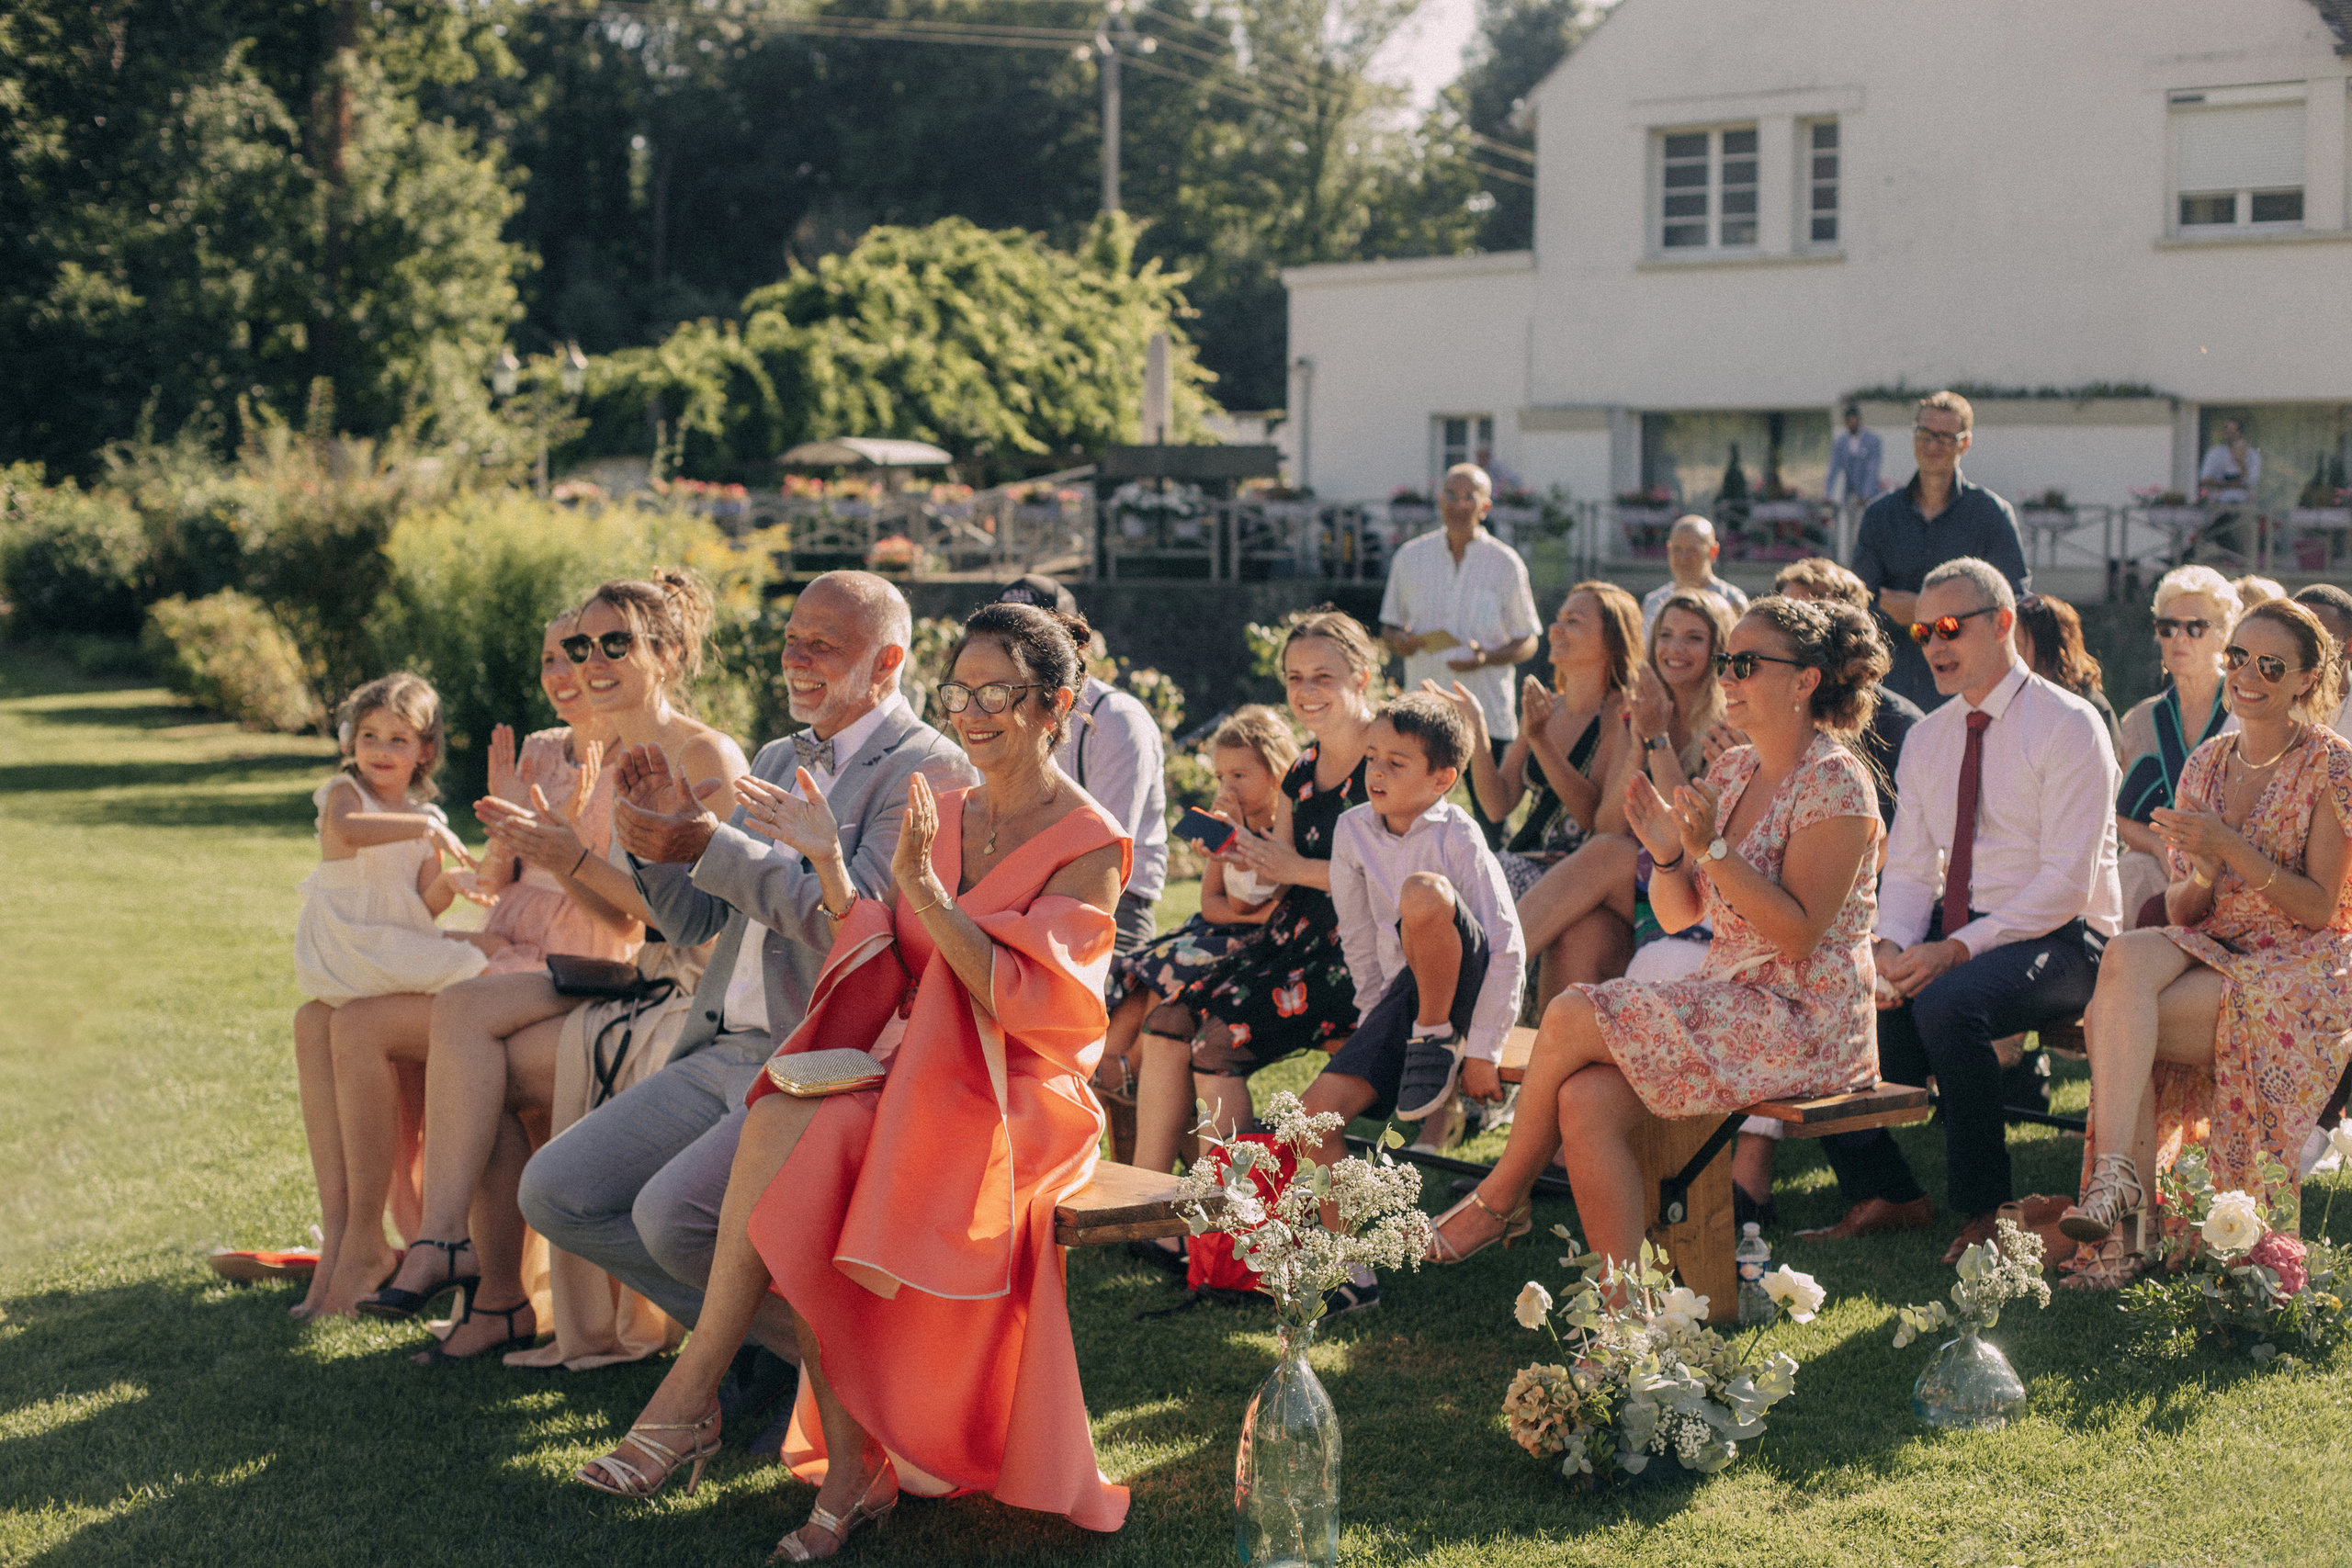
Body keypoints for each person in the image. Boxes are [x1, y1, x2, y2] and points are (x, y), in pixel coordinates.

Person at [577, 601, 1132, 1551]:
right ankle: (815, 1453)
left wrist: (926, 893)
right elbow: (888, 951)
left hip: (1018, 1094)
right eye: (960, 692)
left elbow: (1034, 1004)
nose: (972, 713)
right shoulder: (945, 809)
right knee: (789, 1114)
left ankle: (709, 1412)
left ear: (1056, 706)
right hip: (917, 1067)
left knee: (815, 1145)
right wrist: (834, 862)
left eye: (997, 693)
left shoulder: (1089, 843)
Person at [503, 571, 975, 1369]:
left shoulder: (931, 768)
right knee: (555, 1191)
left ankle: (798, 1372)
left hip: (815, 1060)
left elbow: (860, 930)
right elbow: (696, 920)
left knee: (668, 1222)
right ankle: (799, 1357)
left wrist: (710, 843)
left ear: (888, 660)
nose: (796, 658)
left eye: (822, 645)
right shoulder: (777, 754)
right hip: (719, 1044)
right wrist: (653, 840)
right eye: (792, 640)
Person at [356, 573, 757, 1357]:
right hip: (640, 972)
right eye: (580, 645)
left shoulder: (703, 751)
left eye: (615, 644)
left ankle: (494, 1292)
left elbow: (703, 916)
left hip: (694, 992)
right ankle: (446, 1240)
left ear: (668, 655)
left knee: (488, 1072)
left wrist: (569, 854)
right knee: (460, 1012)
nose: (590, 661)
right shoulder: (614, 756)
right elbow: (617, 909)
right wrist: (545, 847)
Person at [1426, 596, 1890, 1266]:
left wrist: (1710, 851)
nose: (1726, 676)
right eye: (1726, 661)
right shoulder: (1732, 770)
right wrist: (1671, 855)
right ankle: (1624, 1306)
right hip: (1735, 1002)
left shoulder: (1836, 782)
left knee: (1571, 1012)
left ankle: (1501, 1199)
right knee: (1585, 1100)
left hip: (1809, 1023)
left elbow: (1798, 934)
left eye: (1746, 664)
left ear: (1805, 681)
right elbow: (1679, 914)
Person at [1811, 558, 2121, 1259]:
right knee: (1834, 983)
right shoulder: (1930, 736)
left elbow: (2066, 885)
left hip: (2069, 937)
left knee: (1949, 1002)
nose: (1935, 645)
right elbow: (1910, 869)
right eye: (1922, 632)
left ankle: (1986, 1211)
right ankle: (1888, 1190)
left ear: (2004, 622)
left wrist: (1954, 949)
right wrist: (1889, 948)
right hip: (1961, 928)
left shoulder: (2070, 724)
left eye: (1951, 626)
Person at [2060, 599, 2352, 1289]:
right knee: (2125, 956)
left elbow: (2319, 908)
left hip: (2300, 963)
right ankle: (2117, 1177)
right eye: (2238, 657)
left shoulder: (2332, 765)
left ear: (2307, 680)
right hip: (2216, 941)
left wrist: (2230, 847)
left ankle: (2128, 1234)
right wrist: (2203, 871)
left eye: (2270, 665)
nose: (2246, 675)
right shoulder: (2208, 763)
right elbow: (2184, 909)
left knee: (2113, 1020)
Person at [1270, 692, 1523, 1301]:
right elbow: (1357, 934)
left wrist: (1484, 1049)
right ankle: (1348, 1272)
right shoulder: (1353, 828)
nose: (1376, 772)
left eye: (1397, 762)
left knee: (1422, 894)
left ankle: (1438, 1039)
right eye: (1372, 757)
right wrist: (1371, 1022)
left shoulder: (1458, 832)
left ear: (1443, 779)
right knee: (1309, 1119)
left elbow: (1506, 943)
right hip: (1402, 998)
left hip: (1463, 984)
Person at [1128, 609, 1381, 1193]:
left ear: (1362, 677)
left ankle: (1233, 1221)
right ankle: (1147, 1205)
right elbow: (1279, 871)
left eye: (1323, 676)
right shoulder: (1301, 770)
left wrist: (1296, 869)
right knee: (1166, 1021)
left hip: (1359, 956)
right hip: (1292, 941)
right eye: (1295, 677)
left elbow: (1404, 876)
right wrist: (1237, 851)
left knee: (1218, 1042)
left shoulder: (1386, 758)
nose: (1306, 690)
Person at [289, 672, 497, 1318]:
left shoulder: (423, 823)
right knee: (472, 963)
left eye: (398, 739)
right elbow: (349, 830)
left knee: (469, 958)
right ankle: (351, 1239)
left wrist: (450, 883)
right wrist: (424, 824)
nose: (380, 749)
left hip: (387, 949)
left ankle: (352, 1247)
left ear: (424, 750)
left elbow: (421, 905)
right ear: (349, 742)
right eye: (369, 736)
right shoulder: (346, 796)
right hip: (352, 949)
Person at [1091, 705, 1293, 1213]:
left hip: (1254, 945)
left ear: (1276, 773)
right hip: (1217, 932)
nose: (1228, 786)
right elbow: (1211, 905)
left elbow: (1250, 905)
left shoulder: (1282, 833)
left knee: (1174, 968)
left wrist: (1240, 855)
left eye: (1240, 775)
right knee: (1148, 965)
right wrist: (1231, 851)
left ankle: (1120, 1072)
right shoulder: (1229, 828)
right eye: (1221, 776)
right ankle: (1115, 1065)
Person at [1504, 590, 1732, 1010]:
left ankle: (1487, 974)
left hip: (1696, 887)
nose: (1675, 648)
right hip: (1640, 882)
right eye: (1665, 635)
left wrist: (1658, 741)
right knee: (1580, 935)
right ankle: (1540, 1046)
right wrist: (1636, 751)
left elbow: (1688, 831)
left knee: (1608, 853)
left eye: (1694, 638)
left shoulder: (1728, 723)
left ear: (1719, 650)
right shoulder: (1639, 711)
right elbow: (1606, 823)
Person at [1434, 581, 1639, 905]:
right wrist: (1476, 725)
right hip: (1522, 858)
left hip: (1573, 870)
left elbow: (1591, 816)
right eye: (1558, 618)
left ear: (1612, 639)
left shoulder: (1621, 714)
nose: (1555, 629)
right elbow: (1498, 804)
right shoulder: (1548, 706)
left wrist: (1541, 740)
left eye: (1573, 621)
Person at [995, 574, 1167, 952]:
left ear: (1071, 642)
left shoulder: (1116, 719)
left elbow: (1100, 853)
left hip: (1112, 907)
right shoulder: (995, 714)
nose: (1014, 653)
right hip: (1016, 898)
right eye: (1005, 640)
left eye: (1031, 640)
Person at [1379, 462, 1543, 847]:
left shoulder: (1505, 562)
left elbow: (1528, 640)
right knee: (1412, 818)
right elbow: (1389, 628)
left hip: (1486, 714)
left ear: (1486, 507)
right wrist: (1401, 642)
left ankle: (1491, 883)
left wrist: (1486, 657)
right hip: (1423, 712)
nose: (1459, 504)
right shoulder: (1410, 557)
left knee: (1491, 822)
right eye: (1451, 495)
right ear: (1439, 501)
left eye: (1469, 497)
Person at [1852, 390, 2030, 712]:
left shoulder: (1990, 515)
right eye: (1925, 433)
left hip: (1968, 694)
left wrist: (1922, 614)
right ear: (1913, 437)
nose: (1933, 445)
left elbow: (2013, 603)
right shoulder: (1880, 516)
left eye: (1945, 437)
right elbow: (1858, 602)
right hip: (1890, 693)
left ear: (1965, 443)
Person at [2115, 568, 2241, 925]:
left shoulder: (2245, 712)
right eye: (2167, 628)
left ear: (2223, 635)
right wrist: (2158, 847)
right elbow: (2119, 816)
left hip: (2231, 870)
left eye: (2195, 628)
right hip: (2158, 869)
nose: (2179, 639)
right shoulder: (2139, 720)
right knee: (2125, 874)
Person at [2012, 592, 2121, 753]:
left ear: (2047, 650)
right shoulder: (2013, 703)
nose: (2009, 655)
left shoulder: (2088, 710)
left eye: (2016, 645)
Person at [1638, 514, 1748, 638]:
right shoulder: (1653, 603)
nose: (1683, 558)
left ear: (1713, 551)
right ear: (1669, 548)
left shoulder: (1732, 601)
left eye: (1692, 550)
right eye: (1677, 549)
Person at [2291, 584, 2352, 740]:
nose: (2304, 646)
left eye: (2320, 638)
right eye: (2294, 634)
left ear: (2350, 647)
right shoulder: (2265, 698)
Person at [2199, 418, 2261, 559]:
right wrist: (2228, 485)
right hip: (2220, 504)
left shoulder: (2252, 455)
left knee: (2245, 542)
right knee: (2216, 535)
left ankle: (2246, 565)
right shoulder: (2215, 453)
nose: (2230, 434)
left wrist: (2239, 460)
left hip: (2244, 505)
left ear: (2240, 433)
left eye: (2234, 430)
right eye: (2227, 430)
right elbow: (2205, 479)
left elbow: (2250, 481)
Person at [1827, 403, 1883, 505]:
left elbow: (1872, 469)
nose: (1852, 423)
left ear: (1859, 419)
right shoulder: (1841, 442)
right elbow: (1833, 467)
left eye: (1854, 420)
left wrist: (1865, 495)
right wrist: (1827, 493)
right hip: (1850, 493)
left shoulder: (1872, 440)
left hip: (1869, 495)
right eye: (1849, 421)